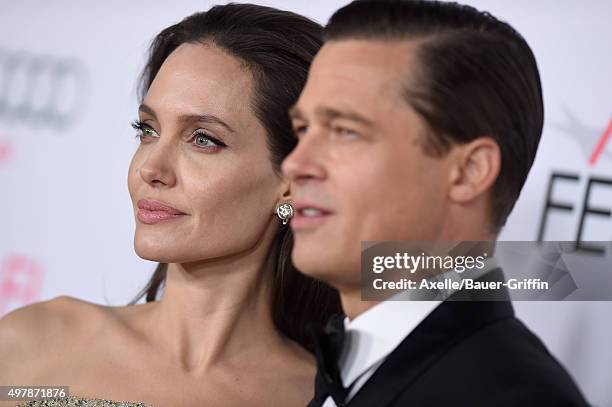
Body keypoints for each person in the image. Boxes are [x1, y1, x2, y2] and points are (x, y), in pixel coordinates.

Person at [0, 4, 340, 407]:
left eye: (203, 139)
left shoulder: (315, 396)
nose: (150, 168)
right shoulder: (37, 344)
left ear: (291, 182)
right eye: (148, 130)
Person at [282, 0, 590, 406]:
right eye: (303, 128)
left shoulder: (518, 398)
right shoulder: (348, 368)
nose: (295, 163)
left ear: (468, 172)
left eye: (345, 131)